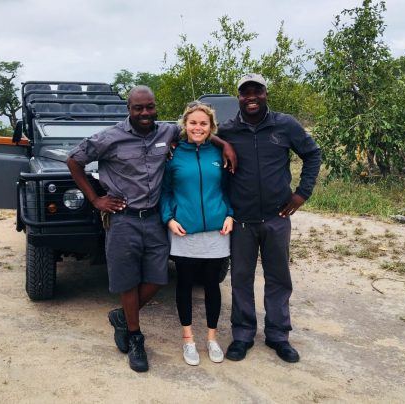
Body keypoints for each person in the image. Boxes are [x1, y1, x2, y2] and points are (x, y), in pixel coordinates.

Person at [66, 86, 236, 373]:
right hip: (123, 219)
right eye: (138, 108)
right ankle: (135, 337)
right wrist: (96, 199)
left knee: (158, 278)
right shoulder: (109, 138)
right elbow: (74, 160)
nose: (145, 113)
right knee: (127, 280)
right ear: (129, 109)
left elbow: (197, 129)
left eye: (150, 107)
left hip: (155, 218)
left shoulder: (166, 132)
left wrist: (224, 145)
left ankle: (122, 316)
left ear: (155, 107)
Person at [219, 73, 321, 363]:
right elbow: (196, 134)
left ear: (266, 93)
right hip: (241, 219)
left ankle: (278, 335)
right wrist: (220, 142)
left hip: (277, 217)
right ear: (238, 96)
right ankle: (242, 335)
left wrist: (302, 194)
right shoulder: (228, 130)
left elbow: (313, 155)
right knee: (240, 278)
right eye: (245, 92)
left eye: (257, 91)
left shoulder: (285, 124)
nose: (251, 97)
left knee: (278, 277)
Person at [160, 102, 233, 366]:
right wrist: (168, 219)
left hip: (216, 231)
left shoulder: (219, 154)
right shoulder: (174, 155)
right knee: (185, 285)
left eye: (203, 123)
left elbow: (228, 189)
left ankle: (212, 338)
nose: (198, 127)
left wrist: (230, 214)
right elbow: (165, 192)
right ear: (185, 125)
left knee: (213, 286)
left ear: (211, 127)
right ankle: (188, 339)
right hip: (184, 231)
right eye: (193, 123)